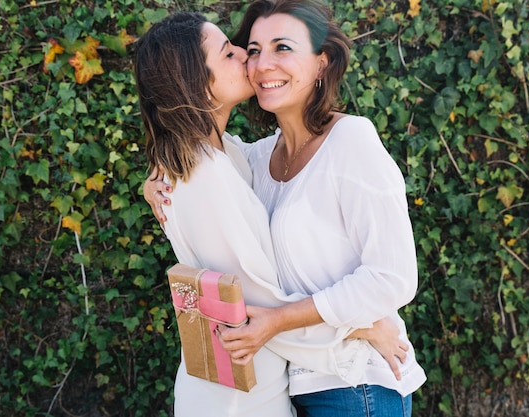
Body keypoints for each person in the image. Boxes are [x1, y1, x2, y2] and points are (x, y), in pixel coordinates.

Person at [143, 1, 427, 416]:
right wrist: (157, 174)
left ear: (321, 63)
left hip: (353, 384)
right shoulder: (248, 162)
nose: (257, 62)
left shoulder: (349, 143)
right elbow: (254, 309)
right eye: (249, 50)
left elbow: (393, 277)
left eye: (282, 48)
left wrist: (357, 329)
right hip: (278, 385)